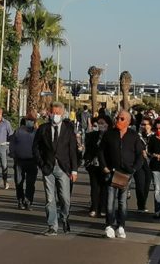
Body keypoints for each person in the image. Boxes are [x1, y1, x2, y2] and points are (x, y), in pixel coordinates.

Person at [33, 101, 78, 236]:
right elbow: (36, 148)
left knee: (65, 198)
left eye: (58, 113)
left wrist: (74, 170)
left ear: (63, 114)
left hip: (64, 169)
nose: (55, 115)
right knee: (50, 199)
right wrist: (41, 164)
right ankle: (52, 225)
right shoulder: (43, 129)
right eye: (53, 113)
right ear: (49, 113)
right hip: (48, 168)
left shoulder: (68, 130)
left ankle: (64, 217)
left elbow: (72, 151)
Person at [99, 110, 143, 239]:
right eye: (117, 118)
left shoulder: (133, 135)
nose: (118, 120)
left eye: (122, 118)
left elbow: (140, 155)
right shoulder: (109, 134)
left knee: (122, 202)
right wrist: (104, 167)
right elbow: (101, 152)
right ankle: (109, 225)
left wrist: (133, 169)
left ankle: (121, 226)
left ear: (128, 122)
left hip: (126, 173)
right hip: (111, 172)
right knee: (110, 200)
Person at [84, 116, 110, 217]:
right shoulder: (92, 135)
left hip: (106, 166)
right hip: (94, 165)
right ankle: (94, 207)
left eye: (103, 123)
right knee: (94, 187)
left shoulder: (110, 136)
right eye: (99, 123)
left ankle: (103, 207)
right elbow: (88, 150)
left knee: (104, 187)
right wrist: (87, 160)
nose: (100, 126)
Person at [10, 116, 38, 210]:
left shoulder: (36, 133)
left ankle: (28, 201)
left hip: (32, 161)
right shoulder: (18, 131)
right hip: (19, 161)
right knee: (19, 182)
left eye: (32, 121)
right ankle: (20, 200)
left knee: (30, 183)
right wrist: (13, 154)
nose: (30, 122)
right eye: (28, 121)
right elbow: (12, 144)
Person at [133, 116, 153, 212]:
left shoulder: (153, 136)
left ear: (150, 126)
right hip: (139, 163)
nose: (144, 126)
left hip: (149, 163)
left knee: (146, 184)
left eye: (146, 124)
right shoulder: (137, 136)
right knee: (139, 184)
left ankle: (143, 202)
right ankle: (141, 205)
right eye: (142, 124)